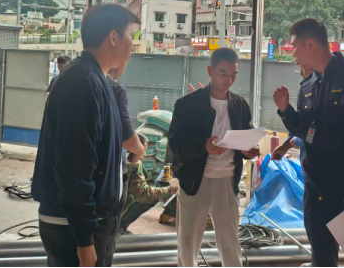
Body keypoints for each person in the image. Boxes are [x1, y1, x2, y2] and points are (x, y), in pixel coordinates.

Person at [32, 4, 141, 268]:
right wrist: (84, 240)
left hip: (88, 222)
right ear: (113, 37)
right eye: (131, 36)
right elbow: (74, 168)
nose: (133, 46)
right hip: (73, 227)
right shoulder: (83, 84)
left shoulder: (95, 79)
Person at [273, 19, 344, 268]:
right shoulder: (308, 85)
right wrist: (286, 110)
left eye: (294, 46)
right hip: (316, 194)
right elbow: (307, 132)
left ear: (310, 44)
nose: (292, 53)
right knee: (322, 260)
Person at [169, 48, 260, 268]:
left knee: (230, 244)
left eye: (234, 74)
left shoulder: (239, 105)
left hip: (227, 181)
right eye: (223, 73)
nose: (229, 79)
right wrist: (204, 146)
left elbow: (245, 133)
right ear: (210, 71)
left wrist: (249, 149)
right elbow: (175, 145)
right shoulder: (187, 105)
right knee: (188, 244)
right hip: (195, 182)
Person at [107, 64, 147, 229]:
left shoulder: (70, 78)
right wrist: (139, 150)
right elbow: (127, 137)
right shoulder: (114, 89)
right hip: (106, 178)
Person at [118, 134, 178, 235]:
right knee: (153, 196)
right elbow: (143, 193)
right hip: (115, 206)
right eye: (144, 150)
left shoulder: (120, 156)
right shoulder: (133, 163)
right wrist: (168, 190)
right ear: (136, 148)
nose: (145, 154)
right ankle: (119, 226)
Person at [272, 65, 314, 163]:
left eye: (302, 67)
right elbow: (300, 124)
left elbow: (315, 135)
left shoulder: (323, 95)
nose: (301, 73)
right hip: (307, 165)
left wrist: (296, 141)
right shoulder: (305, 91)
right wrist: (285, 146)